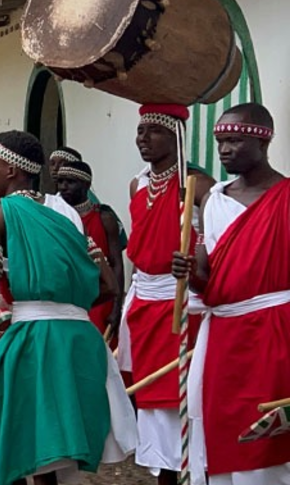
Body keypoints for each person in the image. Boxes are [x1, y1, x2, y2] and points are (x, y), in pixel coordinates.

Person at [0, 130, 134, 485]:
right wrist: (66, 305)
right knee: (60, 452)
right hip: (80, 342)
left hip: (34, 342)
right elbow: (109, 285)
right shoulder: (66, 212)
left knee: (27, 449)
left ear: (11, 171)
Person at [171, 103, 290, 485]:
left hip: (275, 330)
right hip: (223, 336)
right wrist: (189, 273)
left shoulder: (286, 197)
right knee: (223, 430)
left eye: (234, 141)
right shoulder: (213, 199)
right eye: (220, 141)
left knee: (269, 439)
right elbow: (206, 277)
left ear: (264, 142)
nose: (224, 150)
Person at [119, 104, 214, 485]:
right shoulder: (137, 185)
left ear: (176, 136)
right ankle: (163, 473)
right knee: (147, 399)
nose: (142, 139)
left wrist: (194, 265)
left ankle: (192, 471)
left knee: (179, 398)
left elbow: (214, 244)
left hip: (181, 301)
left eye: (153, 131)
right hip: (142, 300)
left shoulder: (198, 186)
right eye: (139, 131)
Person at [55, 159, 125, 338]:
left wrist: (116, 307)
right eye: (60, 181)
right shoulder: (53, 218)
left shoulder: (104, 218)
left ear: (86, 185)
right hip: (64, 299)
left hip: (99, 298)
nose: (63, 187)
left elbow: (116, 264)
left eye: (70, 182)